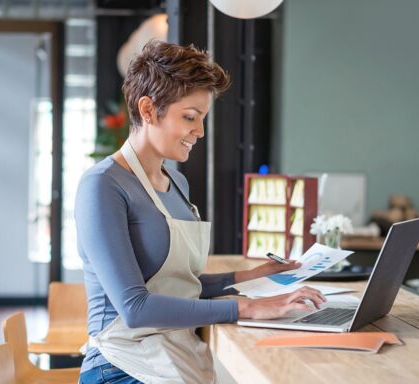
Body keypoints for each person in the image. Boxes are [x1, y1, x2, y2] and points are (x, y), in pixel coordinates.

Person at [75, 40, 325, 384]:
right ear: (148, 110)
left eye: (202, 118)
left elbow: (178, 286)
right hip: (119, 365)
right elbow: (135, 308)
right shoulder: (102, 185)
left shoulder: (177, 183)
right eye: (190, 117)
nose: (200, 131)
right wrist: (249, 307)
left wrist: (249, 277)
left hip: (174, 353)